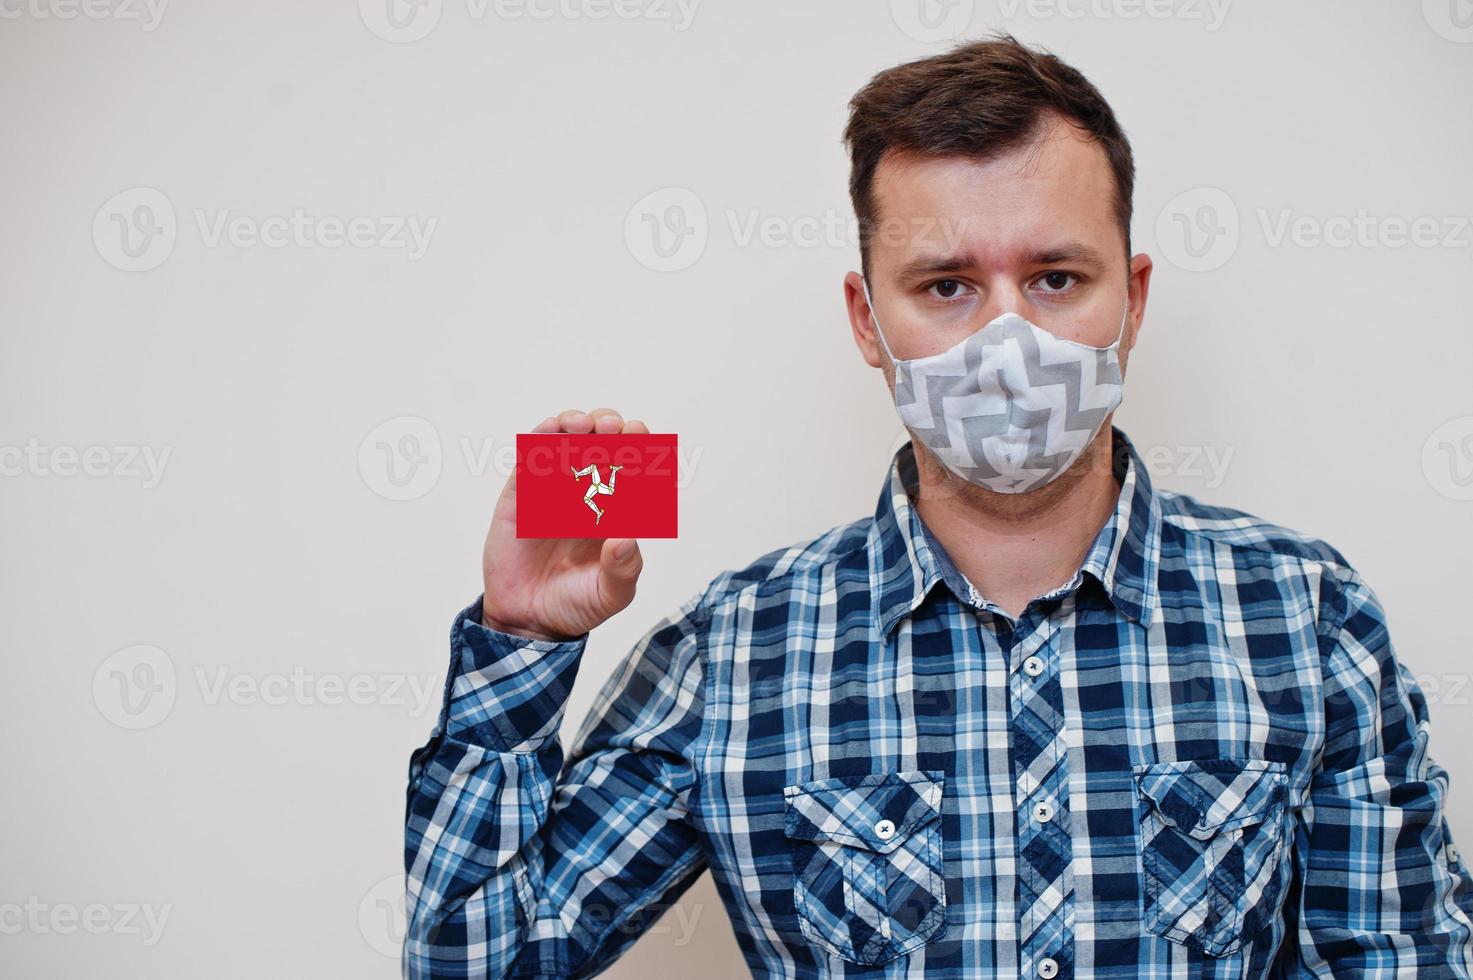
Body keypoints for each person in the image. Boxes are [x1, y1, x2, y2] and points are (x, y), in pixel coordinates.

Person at [402, 34, 1473, 978]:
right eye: (947, 285)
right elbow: (474, 959)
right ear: (868, 320)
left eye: (1056, 277)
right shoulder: (734, 650)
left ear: (1132, 299)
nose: (1008, 339)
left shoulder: (1305, 613)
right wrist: (522, 642)